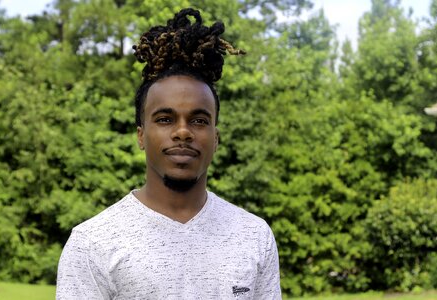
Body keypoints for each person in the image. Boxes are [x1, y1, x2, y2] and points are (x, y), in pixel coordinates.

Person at [56, 8, 281, 299]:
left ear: (215, 138)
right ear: (141, 135)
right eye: (165, 119)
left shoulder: (254, 236)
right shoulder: (92, 243)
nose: (183, 132)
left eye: (199, 120)